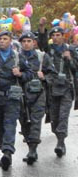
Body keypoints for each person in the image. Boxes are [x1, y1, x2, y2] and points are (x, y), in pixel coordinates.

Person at [0, 30, 30, 170]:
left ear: (10, 41)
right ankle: (5, 152)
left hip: (12, 97)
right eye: (0, 39)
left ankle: (7, 152)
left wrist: (21, 74)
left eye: (5, 39)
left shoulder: (18, 57)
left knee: (10, 124)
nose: (2, 41)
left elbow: (30, 73)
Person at [37, 20, 77, 157]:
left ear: (63, 36)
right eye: (53, 35)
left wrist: (70, 59)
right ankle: (58, 134)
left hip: (66, 87)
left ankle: (60, 142)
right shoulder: (49, 50)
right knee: (54, 117)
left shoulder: (70, 49)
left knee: (63, 115)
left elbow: (75, 68)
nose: (55, 37)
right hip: (52, 87)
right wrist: (42, 28)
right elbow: (41, 43)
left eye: (58, 35)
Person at [18, 31, 55, 164]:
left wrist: (44, 77)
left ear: (34, 42)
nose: (27, 44)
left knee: (35, 120)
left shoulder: (42, 57)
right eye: (24, 41)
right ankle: (29, 146)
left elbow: (52, 74)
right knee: (23, 122)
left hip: (38, 93)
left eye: (29, 41)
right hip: (21, 94)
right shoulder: (16, 57)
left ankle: (33, 149)